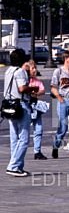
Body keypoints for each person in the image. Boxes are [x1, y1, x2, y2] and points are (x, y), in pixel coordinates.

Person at [4, 47, 33, 176]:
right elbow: (22, 88)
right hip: (20, 105)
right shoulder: (20, 72)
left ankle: (17, 165)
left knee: (14, 137)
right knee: (24, 138)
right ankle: (13, 166)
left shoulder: (8, 71)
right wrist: (32, 88)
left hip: (9, 104)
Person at [24, 60, 49, 160]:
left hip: (35, 107)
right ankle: (18, 150)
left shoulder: (36, 81)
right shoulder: (25, 80)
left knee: (38, 129)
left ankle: (37, 151)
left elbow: (42, 90)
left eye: (35, 68)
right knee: (23, 130)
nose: (34, 70)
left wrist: (37, 93)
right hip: (26, 107)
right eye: (32, 68)